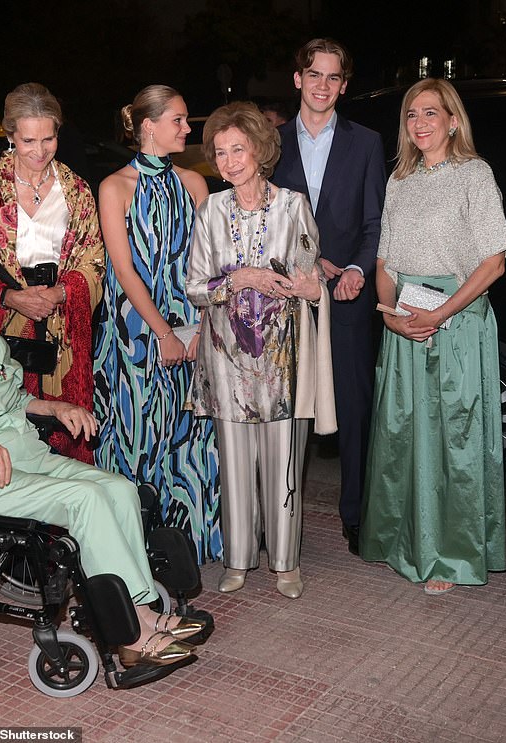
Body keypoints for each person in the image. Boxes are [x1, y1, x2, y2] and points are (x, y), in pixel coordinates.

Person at [0, 265, 204, 668]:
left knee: (120, 489)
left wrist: (58, 406)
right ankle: (129, 635)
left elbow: (16, 404)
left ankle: (143, 609)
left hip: (31, 457)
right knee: (86, 499)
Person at [360, 79, 506, 594]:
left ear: (453, 120)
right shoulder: (399, 180)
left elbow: (494, 263)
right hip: (405, 322)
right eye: (411, 115)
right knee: (405, 439)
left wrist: (442, 312)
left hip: (457, 322)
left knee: (456, 440)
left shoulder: (475, 175)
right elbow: (384, 262)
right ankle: (404, 542)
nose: (420, 123)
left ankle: (450, 555)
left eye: (431, 113)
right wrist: (389, 313)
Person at [186, 102, 336, 599]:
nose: (229, 161)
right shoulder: (210, 211)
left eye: (239, 149)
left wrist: (303, 285)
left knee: (283, 461)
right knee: (234, 465)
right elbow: (194, 288)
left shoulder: (293, 206)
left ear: (260, 150)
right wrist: (240, 278)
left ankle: (287, 564)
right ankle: (238, 559)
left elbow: (311, 278)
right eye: (221, 152)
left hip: (280, 359)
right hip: (226, 358)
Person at [93, 85, 222, 562]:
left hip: (190, 328)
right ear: (149, 127)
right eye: (179, 120)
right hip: (134, 337)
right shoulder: (114, 187)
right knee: (138, 434)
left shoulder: (194, 184)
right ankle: (134, 548)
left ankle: (186, 545)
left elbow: (210, 265)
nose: (188, 129)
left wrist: (200, 327)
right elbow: (122, 270)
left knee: (190, 437)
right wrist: (162, 333)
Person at [272, 38, 386, 556]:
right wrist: (309, 263)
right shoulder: (270, 143)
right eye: (314, 75)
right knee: (283, 410)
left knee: (355, 405)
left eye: (333, 78)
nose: (323, 86)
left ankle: (357, 515)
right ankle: (278, 517)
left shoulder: (366, 143)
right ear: (298, 78)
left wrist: (358, 269)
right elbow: (263, 221)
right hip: (285, 297)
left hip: (348, 295)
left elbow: (374, 221)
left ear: (344, 85)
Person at [0, 83, 103, 465]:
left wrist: (60, 293)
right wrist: (10, 297)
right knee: (11, 433)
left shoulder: (76, 191)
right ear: (10, 136)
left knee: (66, 432)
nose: (39, 151)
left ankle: (69, 518)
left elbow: (94, 261)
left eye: (48, 139)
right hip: (4, 332)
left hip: (63, 328)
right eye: (28, 141)